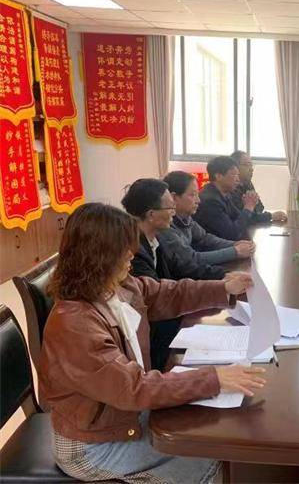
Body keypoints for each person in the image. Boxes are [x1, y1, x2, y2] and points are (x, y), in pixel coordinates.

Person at [39, 202, 266, 483]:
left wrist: (224, 288)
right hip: (92, 445)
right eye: (123, 248)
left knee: (211, 431)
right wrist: (214, 379)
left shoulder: (117, 285)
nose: (131, 253)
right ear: (98, 255)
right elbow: (133, 388)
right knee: (208, 454)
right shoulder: (75, 324)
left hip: (123, 417)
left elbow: (166, 294)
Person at [121, 179, 227, 371]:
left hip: (167, 325)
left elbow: (183, 267)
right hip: (151, 342)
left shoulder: (156, 239)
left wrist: (224, 276)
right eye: (170, 207)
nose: (174, 212)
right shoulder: (133, 253)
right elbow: (157, 298)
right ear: (151, 215)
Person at [161, 170, 256, 267]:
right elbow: (190, 259)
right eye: (192, 195)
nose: (198, 200)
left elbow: (204, 238)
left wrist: (234, 244)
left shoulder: (185, 217)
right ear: (173, 197)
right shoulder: (165, 225)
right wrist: (235, 251)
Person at [193, 156, 257, 241]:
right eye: (234, 174)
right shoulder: (210, 201)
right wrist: (248, 207)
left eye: (238, 175)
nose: (238, 179)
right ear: (218, 176)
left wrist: (270, 216)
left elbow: (240, 217)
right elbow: (232, 234)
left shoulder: (224, 194)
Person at [230, 150, 287, 224]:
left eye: (251, 165)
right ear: (235, 167)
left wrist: (251, 208)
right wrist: (271, 216)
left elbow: (260, 207)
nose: (251, 169)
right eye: (247, 165)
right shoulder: (230, 188)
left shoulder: (247, 183)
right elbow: (243, 218)